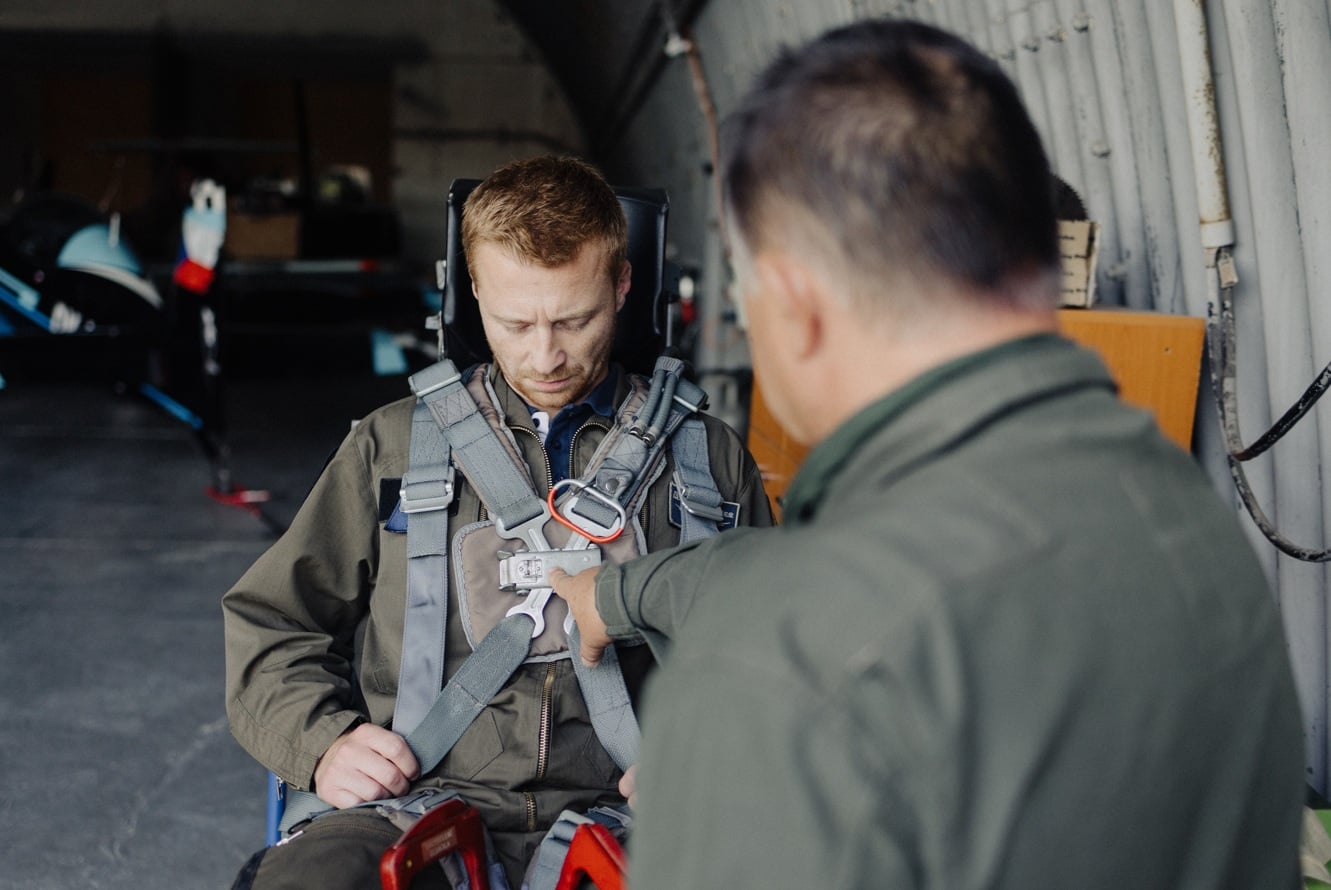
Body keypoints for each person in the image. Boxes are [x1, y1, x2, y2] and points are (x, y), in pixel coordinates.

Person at [551, 19, 1306, 889]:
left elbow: (823, 622)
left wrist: (714, 787)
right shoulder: (1189, 525)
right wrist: (618, 594)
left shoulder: (774, 674)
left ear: (792, 303)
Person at [222, 155, 773, 889]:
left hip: (640, 812)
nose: (545, 356)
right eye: (515, 323)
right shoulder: (390, 447)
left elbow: (779, 652)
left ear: (622, 284)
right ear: (474, 290)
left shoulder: (707, 461)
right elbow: (273, 622)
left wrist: (718, 753)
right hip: (409, 803)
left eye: (575, 320)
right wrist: (325, 742)